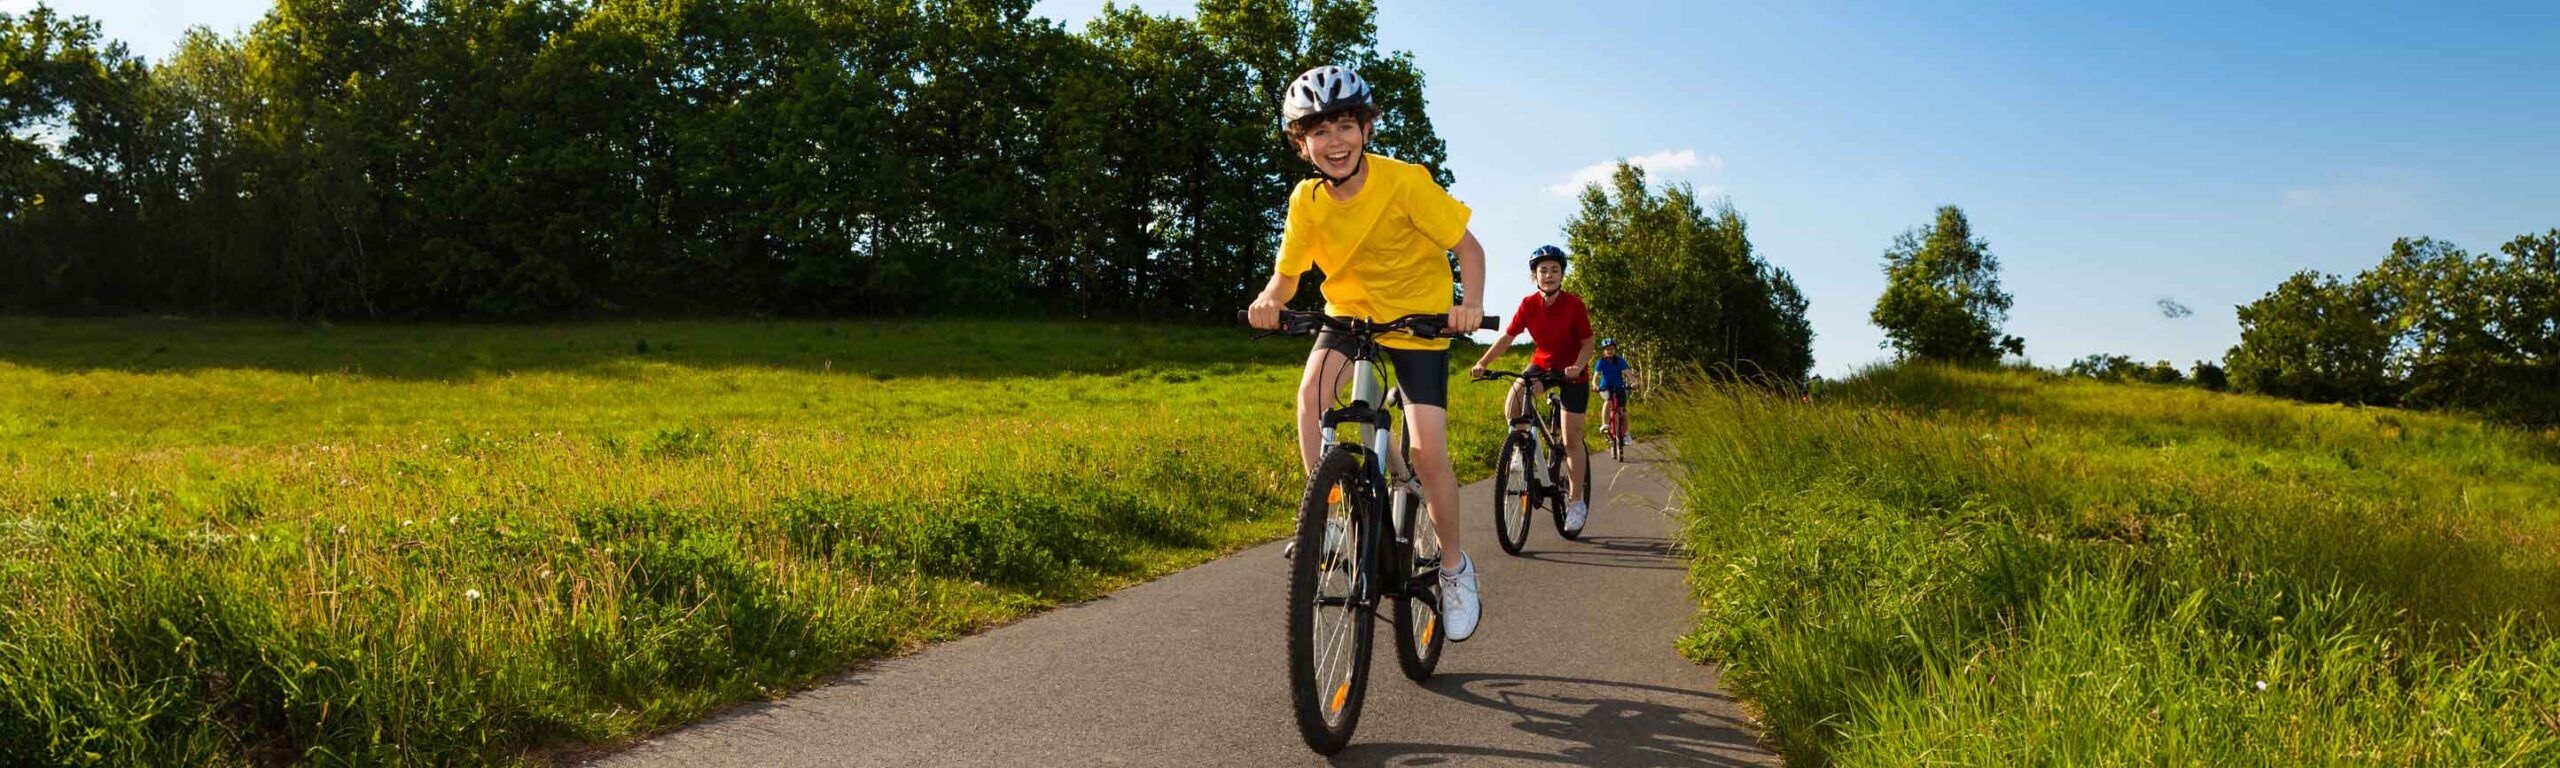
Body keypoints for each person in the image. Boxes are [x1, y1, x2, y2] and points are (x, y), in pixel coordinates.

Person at [1246, 65, 1490, 642]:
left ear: (1367, 128)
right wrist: (1267, 299)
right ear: (1301, 144)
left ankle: (1454, 568)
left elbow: (1468, 248)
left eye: (1345, 125)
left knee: (1428, 456)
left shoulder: (1404, 182)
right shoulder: (1306, 201)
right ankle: (1327, 523)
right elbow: (1287, 279)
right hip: (1350, 317)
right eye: (1319, 131)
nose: (1335, 141)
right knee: (1311, 396)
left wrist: (1469, 304)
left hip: (1418, 325)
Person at [1468, 245, 1595, 535]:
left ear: (1562, 274)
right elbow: (1508, 338)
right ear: (1533, 276)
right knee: (1515, 398)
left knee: (1572, 438)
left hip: (1571, 373)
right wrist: (1482, 362)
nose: (1548, 275)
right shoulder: (1528, 305)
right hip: (1542, 365)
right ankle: (1520, 447)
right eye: (1543, 270)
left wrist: (1577, 366)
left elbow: (1588, 343)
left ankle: (1576, 502)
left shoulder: (1574, 305)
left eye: (1554, 269)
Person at [1594, 337, 1634, 444]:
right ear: (1604, 351)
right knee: (1608, 401)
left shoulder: (1620, 360)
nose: (1609, 351)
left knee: (1623, 411)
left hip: (1619, 386)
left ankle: (1625, 434)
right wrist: (1595, 385)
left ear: (1615, 349)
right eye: (1607, 349)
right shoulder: (1601, 362)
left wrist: (1633, 382)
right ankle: (1605, 424)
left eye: (1611, 349)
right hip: (1605, 387)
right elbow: (1596, 376)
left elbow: (1628, 373)